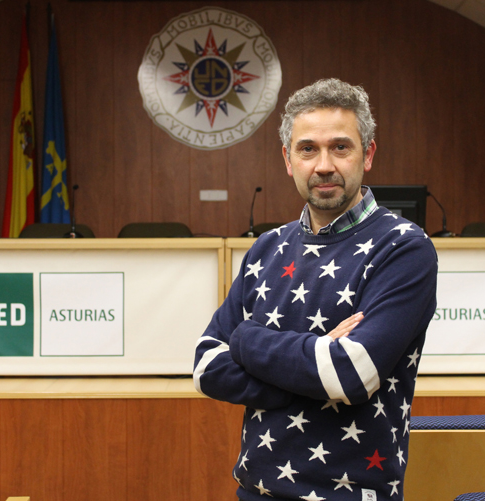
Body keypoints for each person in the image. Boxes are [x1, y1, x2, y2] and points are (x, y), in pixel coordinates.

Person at [193, 78, 437, 501]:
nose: (324, 164)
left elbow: (352, 373)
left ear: (369, 154)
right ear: (288, 159)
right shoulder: (267, 248)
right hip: (254, 491)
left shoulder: (404, 247)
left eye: (340, 147)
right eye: (308, 149)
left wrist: (248, 340)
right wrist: (316, 362)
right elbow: (207, 366)